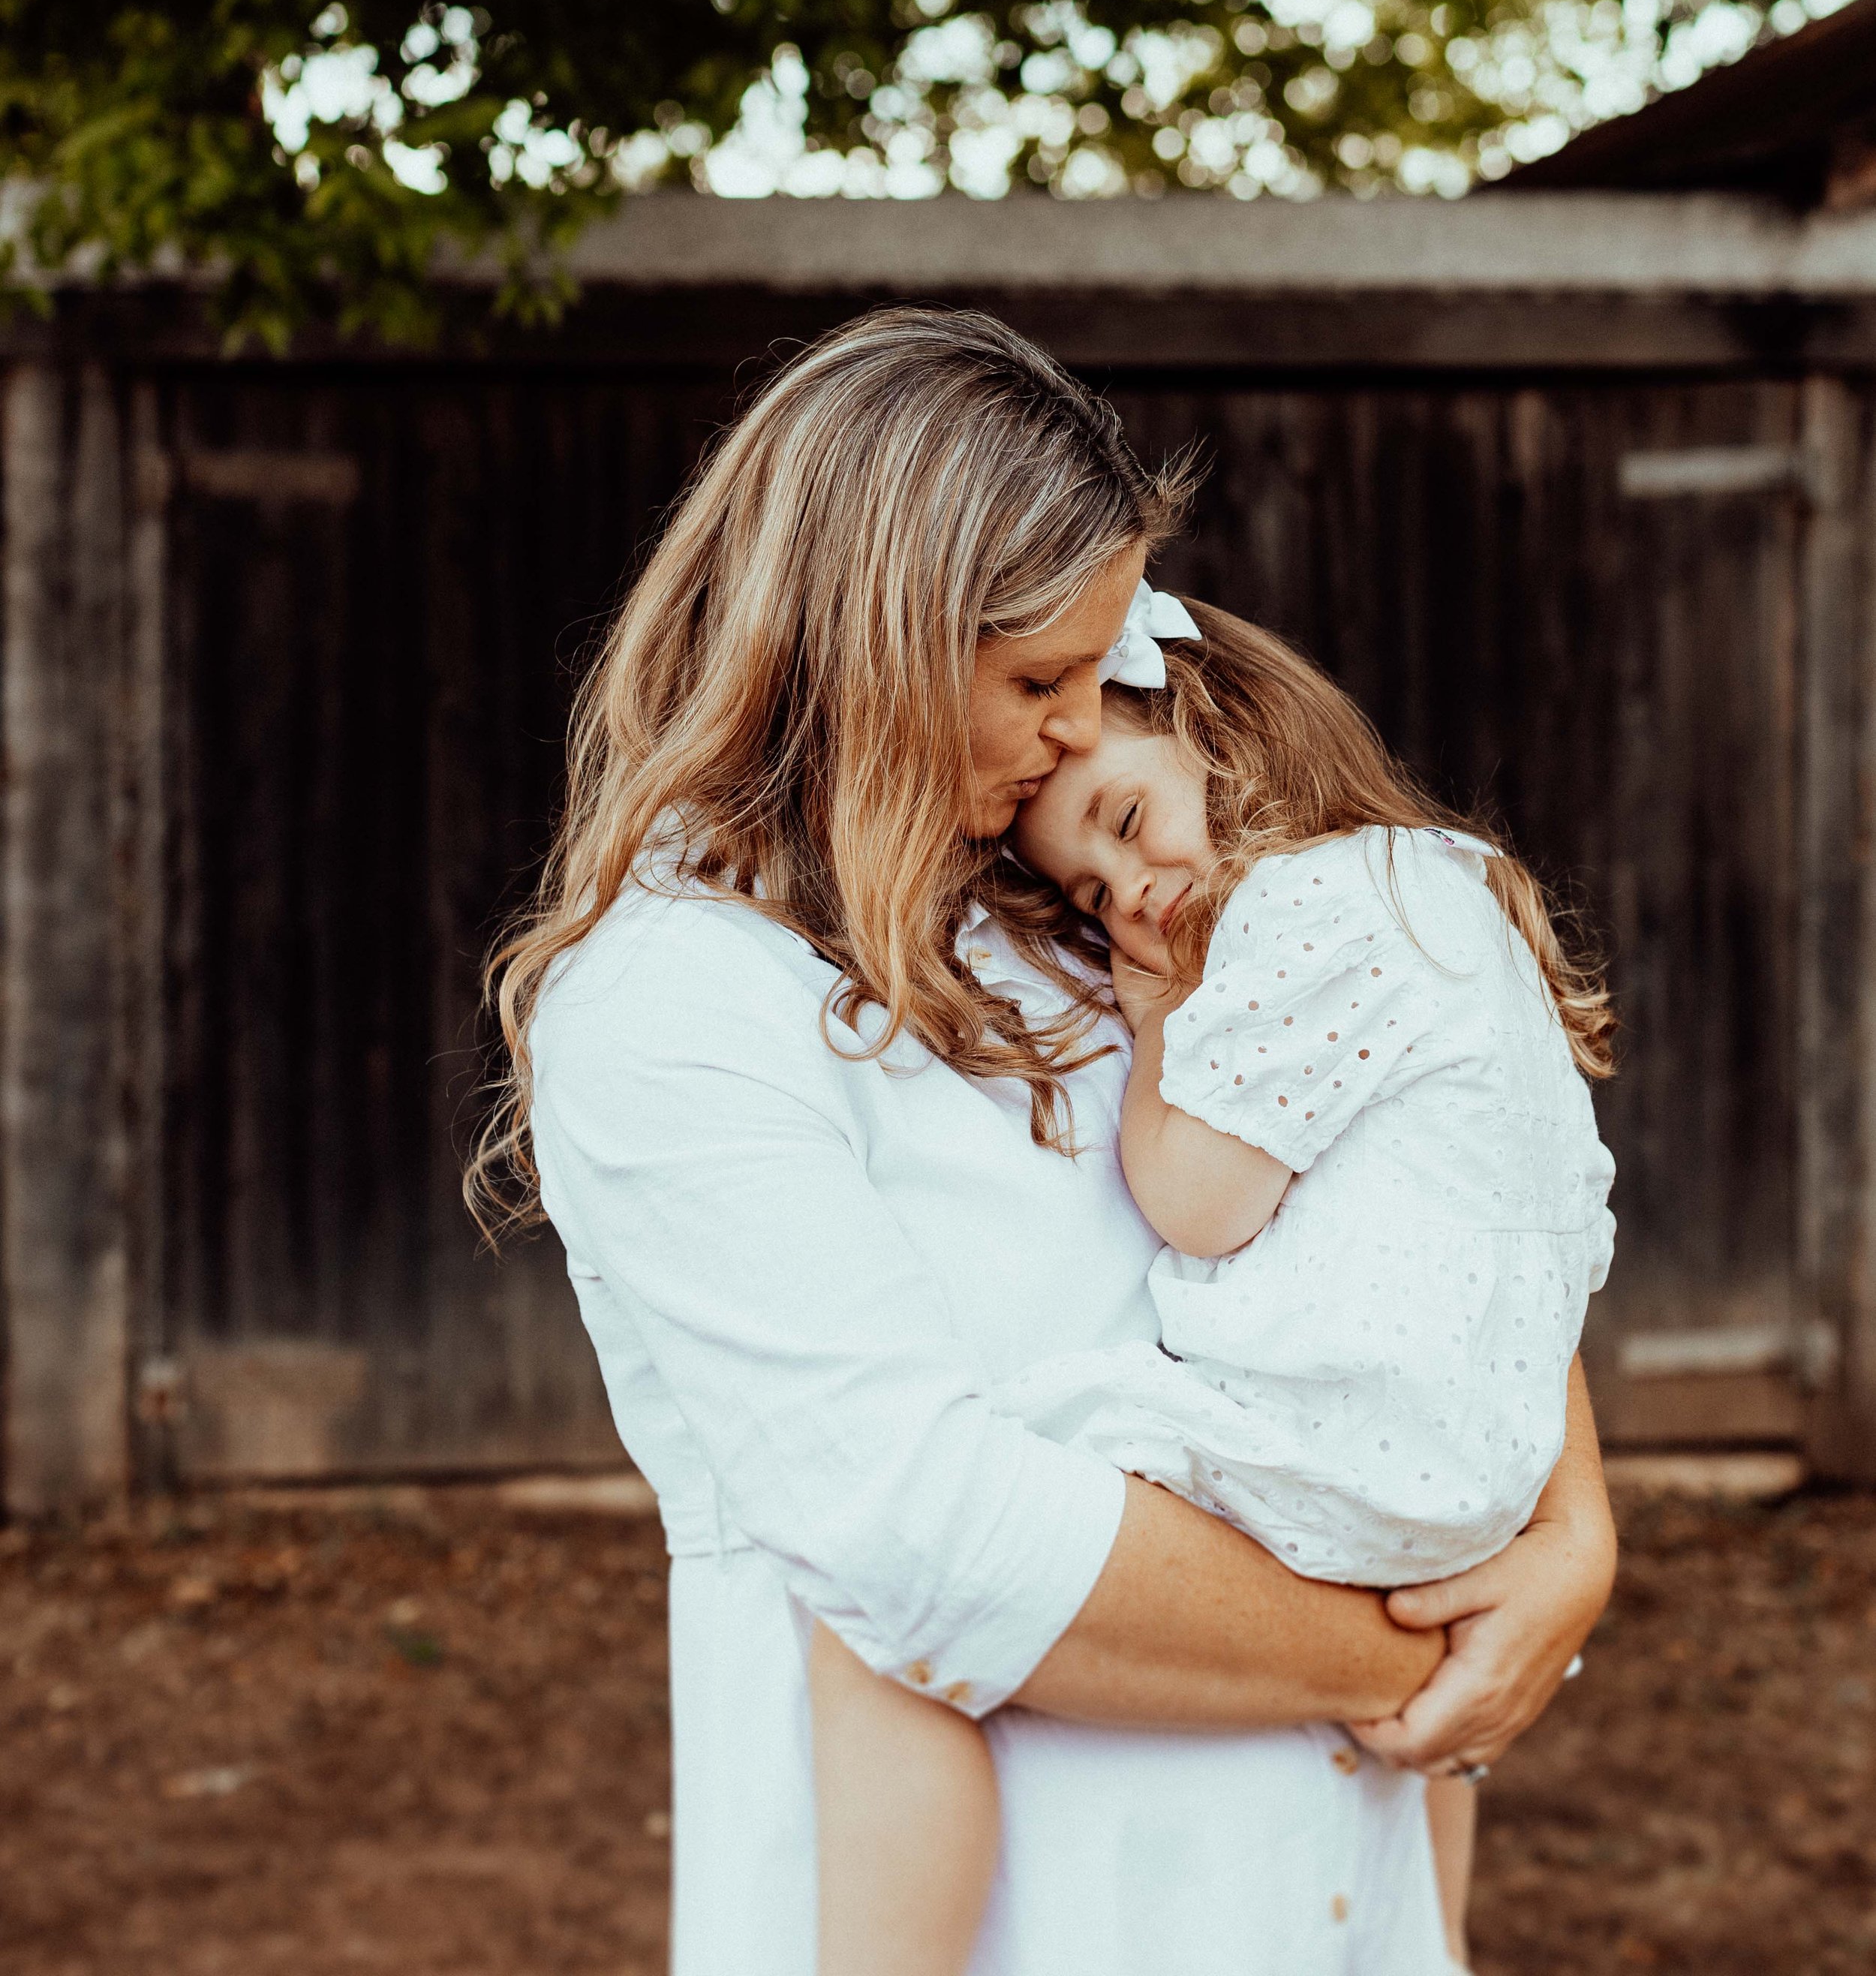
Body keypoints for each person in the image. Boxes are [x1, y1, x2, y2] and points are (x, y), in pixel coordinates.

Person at [471, 307, 1617, 1976]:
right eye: (1035, 682)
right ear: (872, 641)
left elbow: (1425, 1167)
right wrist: (1399, 1654)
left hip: (1322, 1893)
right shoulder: (674, 1003)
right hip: (1033, 1919)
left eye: (1095, 674)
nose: (1084, 730)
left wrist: (1567, 1523)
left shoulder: (1084, 901)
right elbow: (920, 1534)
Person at [808, 587, 1618, 1972]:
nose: (1134, 900)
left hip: (1353, 1439)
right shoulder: (1440, 877)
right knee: (1418, 1725)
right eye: (1091, 893)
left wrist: (1156, 1016)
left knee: (886, 1593)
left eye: (1126, 827)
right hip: (1487, 1469)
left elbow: (1197, 1204)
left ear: (1225, 736)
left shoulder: (1293, 918)